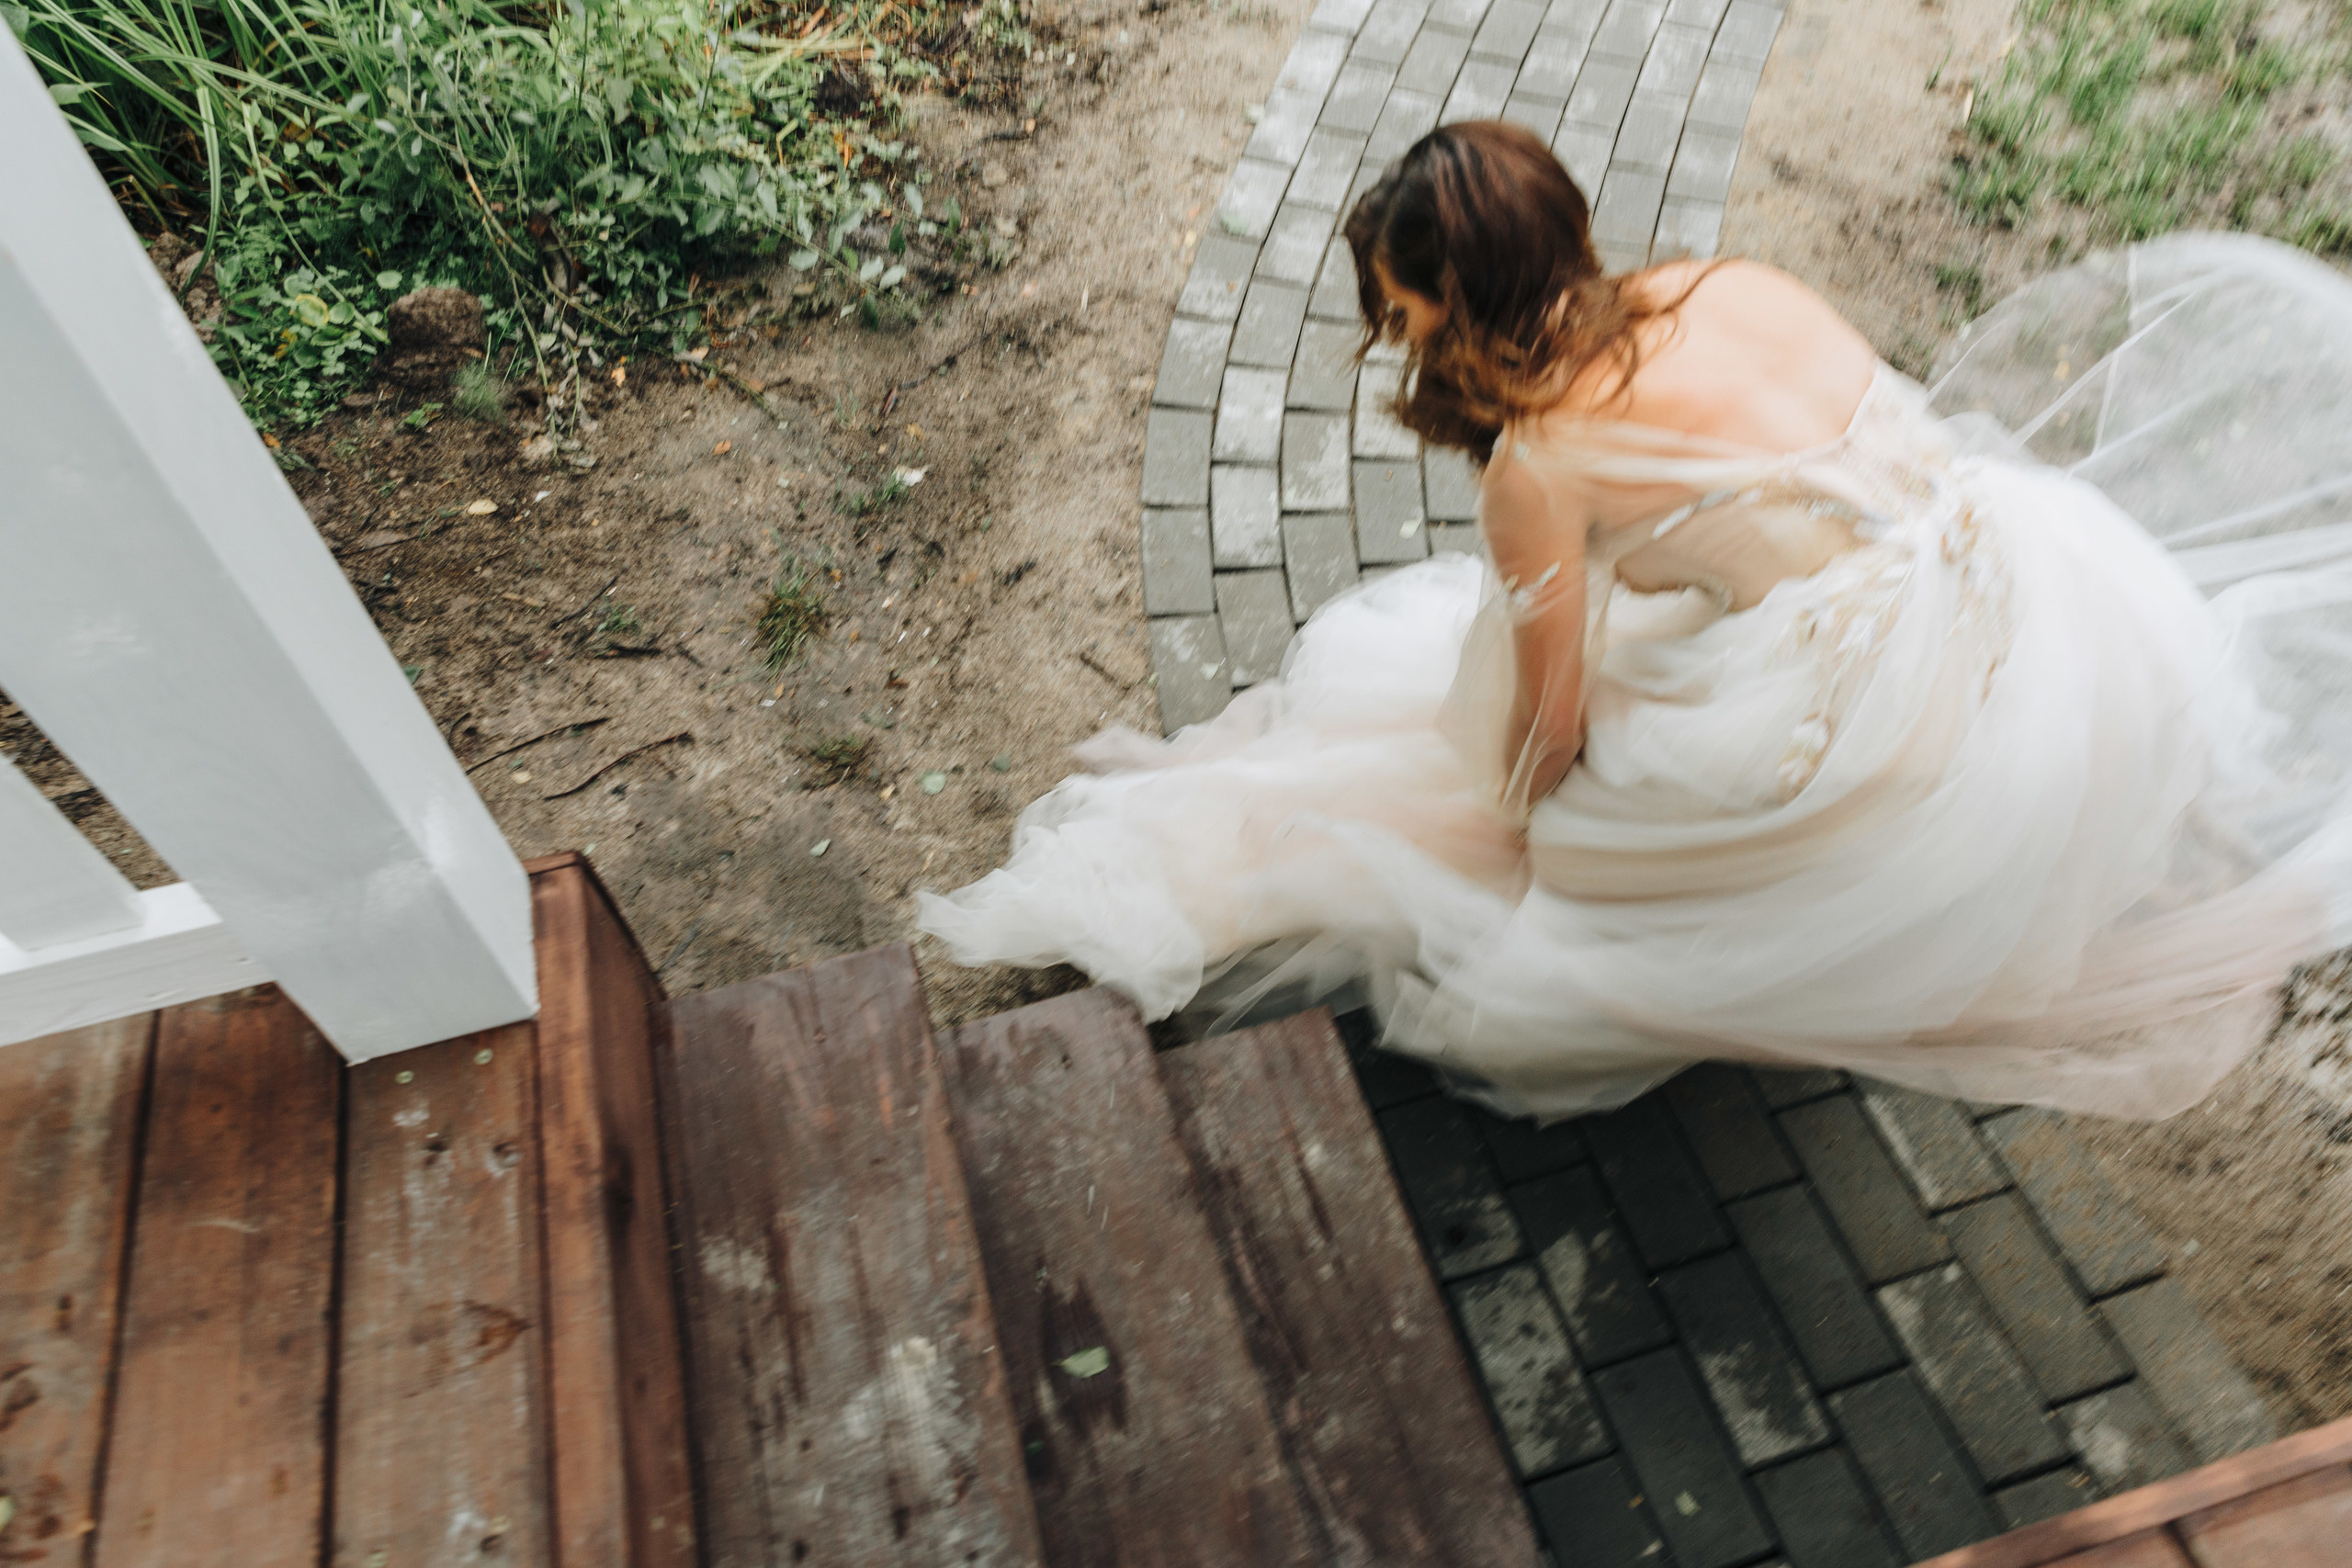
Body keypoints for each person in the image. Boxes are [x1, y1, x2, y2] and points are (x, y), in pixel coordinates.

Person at [917, 119, 2352, 1122]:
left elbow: (1550, 720)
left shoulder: (1540, 468)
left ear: (1462, 305)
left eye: (1404, 312)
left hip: (1869, 712)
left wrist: (1513, 820)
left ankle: (1745, 884)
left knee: (1576, 844)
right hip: (2022, 601)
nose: (1393, 337)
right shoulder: (1720, 283)